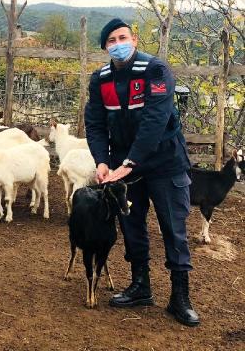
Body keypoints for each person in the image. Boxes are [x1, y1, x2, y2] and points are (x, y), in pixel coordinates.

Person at [84, 18, 200, 327]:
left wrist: (129, 162)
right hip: (123, 166)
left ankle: (180, 297)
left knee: (173, 227)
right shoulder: (101, 80)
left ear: (134, 40)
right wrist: (102, 161)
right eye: (111, 40)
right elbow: (94, 123)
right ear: (105, 47)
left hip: (164, 161)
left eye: (123, 37)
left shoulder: (155, 71)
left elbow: (155, 119)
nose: (118, 43)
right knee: (131, 224)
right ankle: (140, 286)